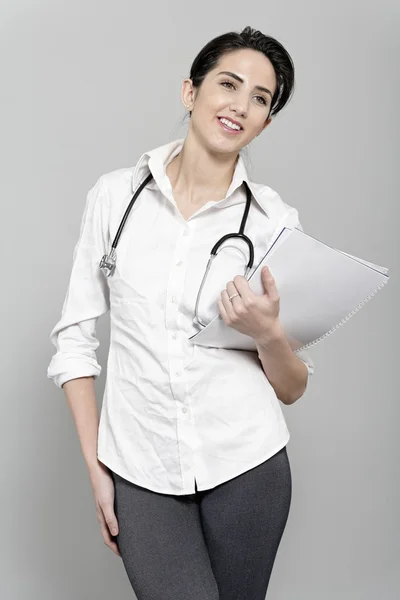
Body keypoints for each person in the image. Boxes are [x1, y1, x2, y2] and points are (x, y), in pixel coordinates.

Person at [47, 25, 314, 600]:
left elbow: (292, 386)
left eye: (261, 99)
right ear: (191, 91)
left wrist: (267, 333)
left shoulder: (274, 222)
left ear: (266, 122)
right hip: (139, 470)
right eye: (229, 84)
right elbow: (73, 343)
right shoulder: (115, 198)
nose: (241, 106)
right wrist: (99, 471)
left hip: (248, 469)